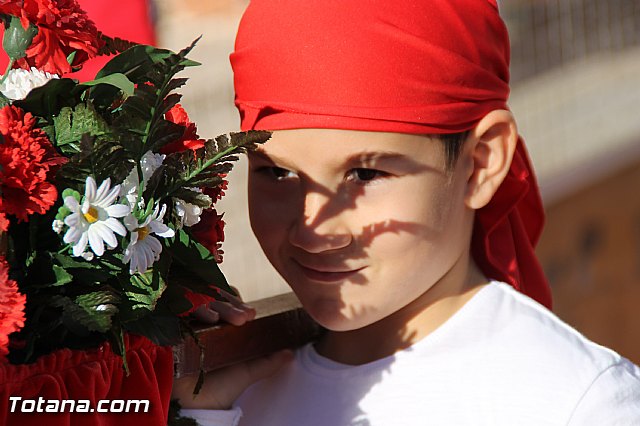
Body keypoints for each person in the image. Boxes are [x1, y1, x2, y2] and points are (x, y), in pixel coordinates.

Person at [172, 1, 640, 424]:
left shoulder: (578, 404)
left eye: (366, 174)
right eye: (276, 173)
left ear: (481, 163)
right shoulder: (226, 391)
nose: (313, 232)